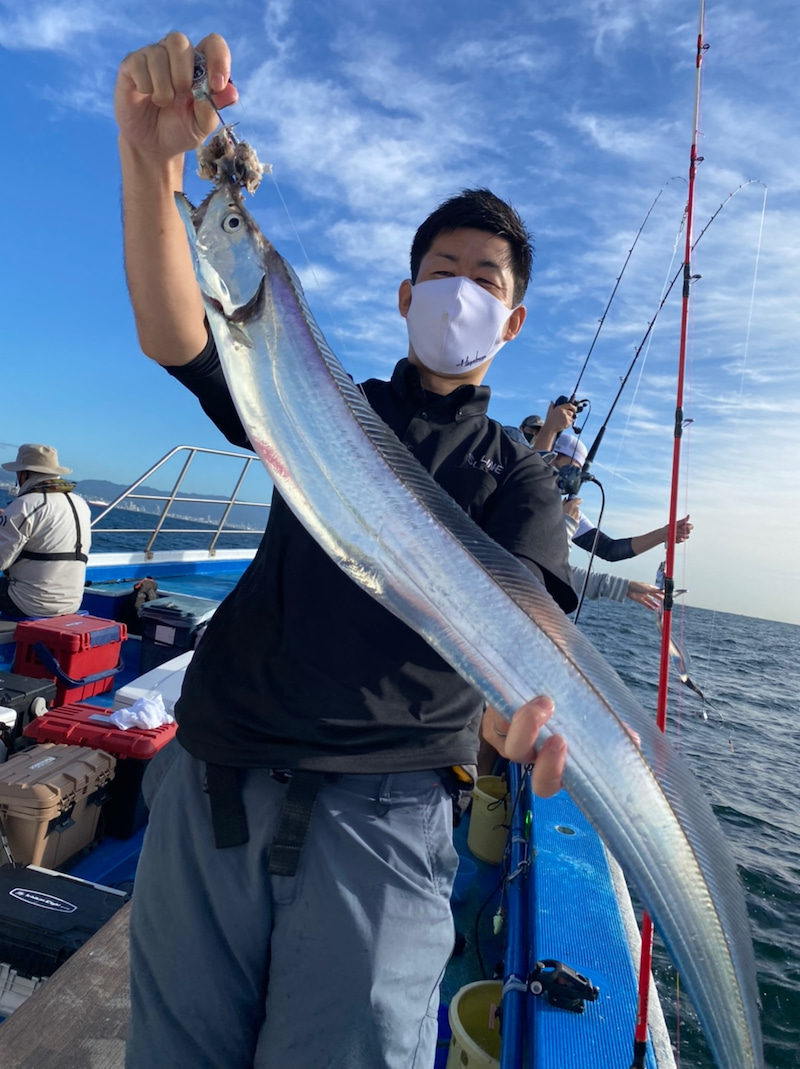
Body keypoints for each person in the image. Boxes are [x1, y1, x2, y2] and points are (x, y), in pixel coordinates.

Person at [116, 32, 572, 1069]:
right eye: (440, 270)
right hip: (212, 786)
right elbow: (173, 328)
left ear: (511, 319)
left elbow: (520, 632)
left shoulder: (520, 476)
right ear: (404, 296)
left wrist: (517, 716)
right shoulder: (316, 395)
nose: (460, 289)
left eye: (484, 279)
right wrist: (153, 166)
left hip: (384, 819)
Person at [552, 432, 693, 561]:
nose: (572, 477)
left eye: (577, 472)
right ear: (550, 456)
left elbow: (609, 550)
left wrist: (663, 534)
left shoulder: (566, 512)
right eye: (570, 468)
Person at [0, 444, 91, 619]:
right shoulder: (80, 503)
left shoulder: (25, 504)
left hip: (29, 603)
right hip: (71, 602)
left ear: (24, 474)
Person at [503, 398, 577, 451]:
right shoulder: (511, 434)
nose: (534, 435)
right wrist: (550, 428)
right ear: (521, 428)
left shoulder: (532, 453)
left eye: (537, 433)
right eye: (530, 430)